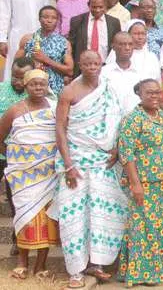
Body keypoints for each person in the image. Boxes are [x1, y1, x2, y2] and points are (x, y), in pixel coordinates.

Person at [51, 51, 128, 288]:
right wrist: (69, 164)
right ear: (80, 65)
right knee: (73, 216)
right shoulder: (69, 92)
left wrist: (116, 150)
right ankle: (75, 271)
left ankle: (97, 264)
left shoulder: (108, 89)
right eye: (87, 63)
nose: (92, 66)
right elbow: (61, 129)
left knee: (103, 214)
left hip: (103, 161)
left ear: (101, 65)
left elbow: (117, 121)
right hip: (75, 161)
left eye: (96, 63)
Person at [117, 79, 163, 286]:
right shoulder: (133, 119)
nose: (155, 96)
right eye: (150, 93)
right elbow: (126, 153)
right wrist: (135, 184)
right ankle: (143, 274)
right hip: (144, 182)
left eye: (157, 93)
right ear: (139, 94)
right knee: (144, 227)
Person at [0, 69, 58, 281]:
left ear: (47, 86)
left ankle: (40, 265)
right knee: (24, 216)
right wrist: (15, 158)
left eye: (41, 84)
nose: (38, 88)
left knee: (47, 219)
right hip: (23, 176)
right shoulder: (14, 111)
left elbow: (61, 134)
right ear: (25, 86)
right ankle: (22, 263)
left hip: (48, 174)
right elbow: (1, 137)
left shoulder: (54, 108)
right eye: (33, 84)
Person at [0, 57, 34, 254]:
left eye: (22, 78)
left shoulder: (41, 92)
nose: (18, 81)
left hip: (26, 159)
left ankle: (18, 239)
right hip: (2, 153)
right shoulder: (1, 89)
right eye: (14, 76)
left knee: (16, 200)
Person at [0, 0, 50, 82]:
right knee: (15, 65)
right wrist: (2, 40)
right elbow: (4, 17)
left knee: (38, 65)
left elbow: (47, 13)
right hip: (17, 36)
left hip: (39, 36)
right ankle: (11, 94)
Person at [15, 6, 72, 95]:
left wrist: (46, 60)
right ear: (39, 19)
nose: (49, 20)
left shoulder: (64, 43)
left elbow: (69, 70)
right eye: (45, 17)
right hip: (30, 89)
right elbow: (16, 65)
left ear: (57, 21)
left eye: (53, 18)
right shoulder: (27, 39)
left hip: (54, 89)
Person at [68, 0, 121, 74]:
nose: (97, 10)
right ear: (88, 5)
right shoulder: (77, 21)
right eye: (94, 7)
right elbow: (71, 47)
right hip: (83, 68)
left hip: (106, 67)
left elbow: (117, 47)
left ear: (106, 6)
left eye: (101, 7)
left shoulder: (114, 23)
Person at [101, 32, 150, 113]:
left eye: (130, 44)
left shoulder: (142, 74)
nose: (127, 48)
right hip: (110, 121)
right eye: (122, 44)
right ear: (113, 46)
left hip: (135, 121)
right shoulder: (103, 73)